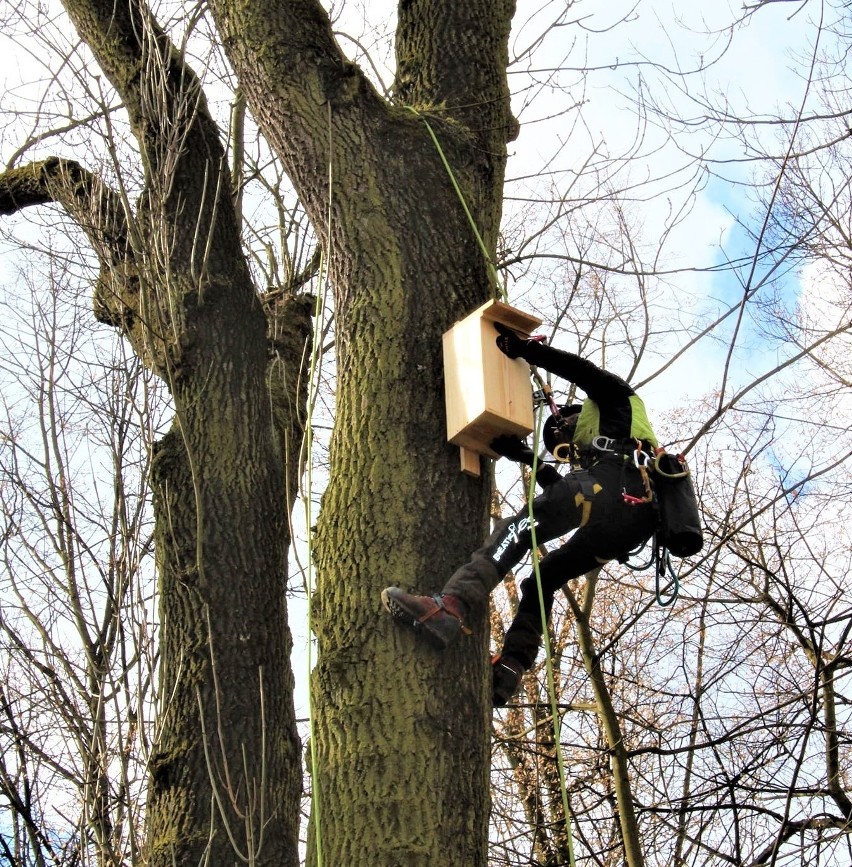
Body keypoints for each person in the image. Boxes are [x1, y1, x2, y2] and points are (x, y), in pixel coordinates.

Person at [381, 323, 660, 706]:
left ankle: (452, 604)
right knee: (544, 579)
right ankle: (510, 668)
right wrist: (525, 456)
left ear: (578, 416)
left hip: (613, 493)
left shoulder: (618, 403)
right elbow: (566, 497)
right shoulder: (613, 453)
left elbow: (584, 373)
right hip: (628, 524)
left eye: (563, 437)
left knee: (516, 530)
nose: (566, 447)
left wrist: (527, 351)